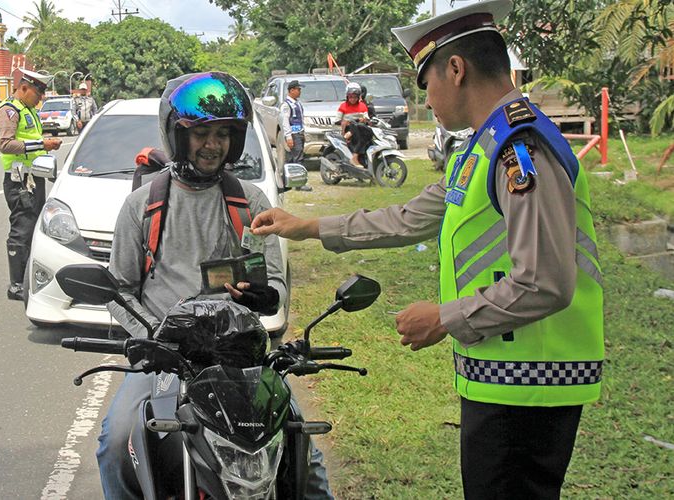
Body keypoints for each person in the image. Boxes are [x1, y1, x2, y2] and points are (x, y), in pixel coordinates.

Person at [250, 1, 604, 499]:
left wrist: (444, 317)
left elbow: (544, 280)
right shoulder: (482, 147)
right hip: (504, 380)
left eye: (426, 83)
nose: (428, 99)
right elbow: (410, 216)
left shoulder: (519, 148)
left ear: (456, 69)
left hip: (533, 387)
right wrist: (306, 225)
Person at [99, 71, 334, 500]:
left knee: (302, 450)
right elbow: (119, 291)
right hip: (166, 357)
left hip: (239, 355)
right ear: (178, 135)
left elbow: (275, 280)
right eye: (201, 132)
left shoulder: (251, 202)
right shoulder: (142, 206)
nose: (213, 144)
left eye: (223, 133)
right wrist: (152, 335)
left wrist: (267, 295)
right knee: (116, 445)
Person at [0, 68, 62, 300]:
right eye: (37, 92)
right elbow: (5, 144)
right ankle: (16, 285)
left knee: (34, 226)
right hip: (19, 180)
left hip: (33, 177)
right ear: (23, 88)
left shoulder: (28, 110)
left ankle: (27, 278)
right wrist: (41, 144)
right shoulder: (9, 111)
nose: (40, 97)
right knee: (21, 229)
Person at [336, 82, 372, 166]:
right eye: (351, 97)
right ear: (347, 96)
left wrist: (364, 120)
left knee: (364, 128)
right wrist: (347, 122)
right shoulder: (343, 106)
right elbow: (337, 120)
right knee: (355, 125)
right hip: (348, 129)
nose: (353, 99)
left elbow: (367, 119)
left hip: (361, 129)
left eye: (355, 97)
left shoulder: (363, 106)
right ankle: (355, 157)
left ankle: (358, 156)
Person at [279, 79, 305, 165]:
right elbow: (285, 121)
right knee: (297, 158)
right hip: (293, 134)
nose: (300, 92)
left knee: (296, 156)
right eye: (298, 89)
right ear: (292, 90)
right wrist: (288, 136)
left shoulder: (297, 103)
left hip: (299, 133)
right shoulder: (286, 105)